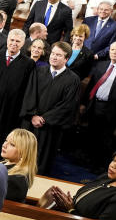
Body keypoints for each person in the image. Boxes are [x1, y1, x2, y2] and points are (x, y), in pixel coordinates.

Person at [20, 41, 81, 175]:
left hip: (50, 128)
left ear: (66, 59)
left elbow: (67, 105)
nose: (53, 57)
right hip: (30, 123)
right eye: (53, 53)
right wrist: (33, 115)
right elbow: (29, 94)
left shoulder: (73, 80)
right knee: (23, 155)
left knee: (41, 161)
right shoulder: (38, 71)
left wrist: (44, 119)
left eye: (58, 55)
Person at [0, 28, 33, 159]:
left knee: (3, 137)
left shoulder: (28, 64)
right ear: (7, 40)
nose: (14, 43)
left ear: (23, 43)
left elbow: (27, 90)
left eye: (18, 41)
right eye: (12, 40)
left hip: (10, 111)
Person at [0, 128, 38, 203]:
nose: (4, 145)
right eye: (6, 140)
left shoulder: (16, 180)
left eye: (12, 144)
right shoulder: (3, 164)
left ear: (24, 152)